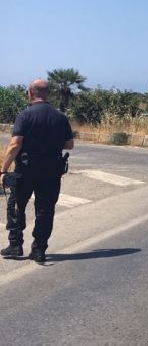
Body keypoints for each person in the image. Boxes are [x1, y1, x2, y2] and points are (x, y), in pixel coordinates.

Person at [0, 79, 74, 263]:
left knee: (16, 206)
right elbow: (69, 145)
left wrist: (3, 170)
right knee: (45, 210)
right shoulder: (60, 117)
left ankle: (15, 245)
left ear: (31, 93)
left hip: (26, 171)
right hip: (51, 172)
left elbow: (15, 144)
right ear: (46, 93)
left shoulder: (25, 115)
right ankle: (39, 249)